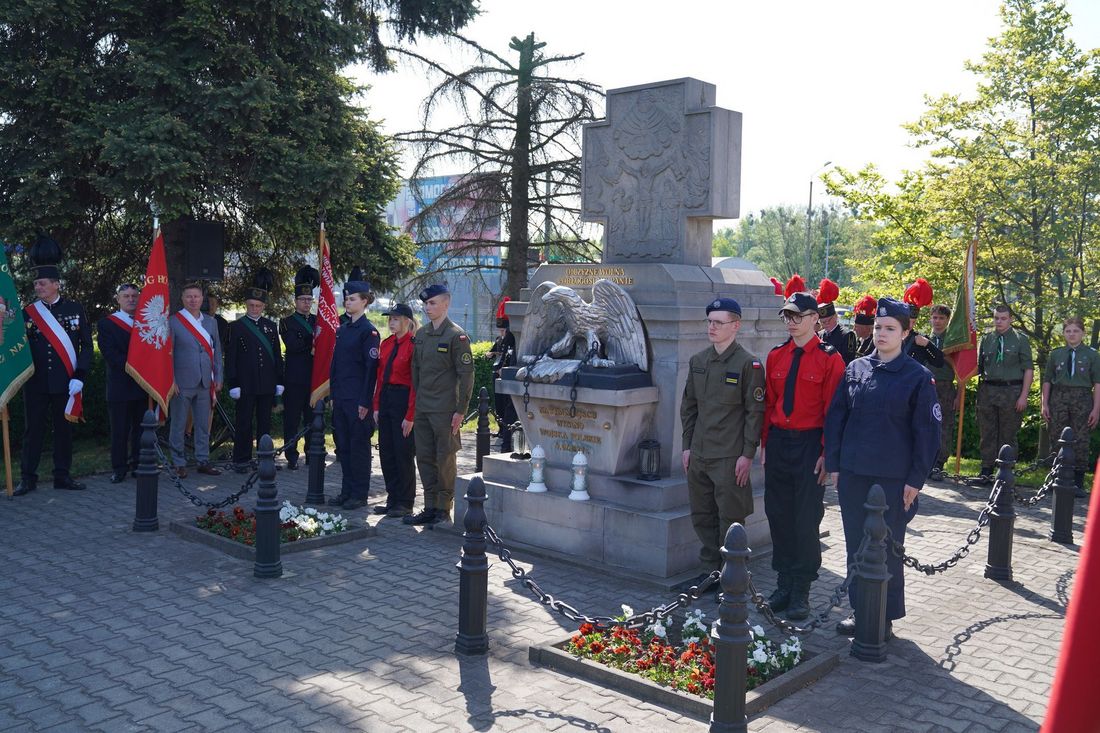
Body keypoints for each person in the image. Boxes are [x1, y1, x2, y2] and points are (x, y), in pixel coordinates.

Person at [825, 296, 941, 637]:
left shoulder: (918, 377)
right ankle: (861, 611)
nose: (882, 333)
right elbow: (836, 419)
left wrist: (915, 480)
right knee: (855, 545)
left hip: (892, 480)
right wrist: (835, 465)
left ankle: (883, 616)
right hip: (855, 475)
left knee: (887, 549)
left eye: (890, 328)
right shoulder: (855, 368)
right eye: (878, 327)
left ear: (905, 333)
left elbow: (927, 434)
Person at [761, 279, 846, 619]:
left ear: (815, 318)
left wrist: (828, 453)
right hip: (780, 443)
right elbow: (769, 405)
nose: (791, 322)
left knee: (805, 518)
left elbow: (833, 413)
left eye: (797, 316)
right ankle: (783, 584)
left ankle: (802, 590)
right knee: (778, 515)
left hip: (811, 444)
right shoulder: (776, 356)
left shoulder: (830, 360)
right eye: (786, 316)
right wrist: (766, 443)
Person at [680, 297, 764, 583]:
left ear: (735, 326)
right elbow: (689, 407)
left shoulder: (748, 365)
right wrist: (687, 447)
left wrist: (747, 454)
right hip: (700, 453)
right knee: (702, 515)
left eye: (719, 322)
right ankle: (709, 571)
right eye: (709, 321)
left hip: (730, 457)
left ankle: (732, 576)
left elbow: (755, 412)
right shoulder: (698, 361)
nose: (712, 327)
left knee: (731, 518)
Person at [14, 234, 93, 496]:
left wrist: (80, 375)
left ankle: (63, 476)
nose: (38, 287)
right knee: (32, 431)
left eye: (43, 283)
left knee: (63, 431)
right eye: (36, 283)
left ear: (56, 284)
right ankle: (28, 478)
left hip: (66, 382)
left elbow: (85, 346)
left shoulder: (74, 308)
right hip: (35, 382)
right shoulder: (28, 313)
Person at [404, 283, 474, 527]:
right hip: (424, 408)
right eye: (426, 303)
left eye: (432, 303)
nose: (427, 307)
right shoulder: (421, 335)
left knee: (444, 459)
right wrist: (417, 404)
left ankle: (444, 508)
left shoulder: (457, 336)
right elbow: (416, 372)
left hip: (445, 411)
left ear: (446, 304)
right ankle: (430, 505)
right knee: (424, 457)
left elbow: (467, 375)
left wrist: (460, 410)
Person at [328, 279, 380, 510]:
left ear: (364, 301)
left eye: (352, 299)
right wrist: (333, 394)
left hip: (357, 400)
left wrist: (365, 401)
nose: (347, 302)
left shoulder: (368, 332)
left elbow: (371, 370)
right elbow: (337, 365)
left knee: (358, 448)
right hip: (341, 397)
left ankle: (359, 494)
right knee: (344, 447)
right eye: (346, 299)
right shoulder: (344, 329)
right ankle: (346, 491)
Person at [226, 268, 284, 473]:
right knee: (243, 424)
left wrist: (279, 380)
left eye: (258, 305)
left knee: (264, 424)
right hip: (245, 384)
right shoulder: (236, 326)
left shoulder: (270, 326)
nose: (254, 309)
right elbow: (231, 358)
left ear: (263, 306)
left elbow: (277, 355)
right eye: (251, 305)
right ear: (246, 304)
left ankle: (264, 459)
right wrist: (233, 383)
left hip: (267, 384)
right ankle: (241, 460)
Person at [168, 283, 224, 477]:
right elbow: (169, 354)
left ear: (202, 299)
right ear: (182, 299)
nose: (193, 300)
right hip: (181, 382)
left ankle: (203, 460)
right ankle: (179, 463)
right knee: (179, 424)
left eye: (196, 297)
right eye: (189, 296)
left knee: (202, 425)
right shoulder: (174, 321)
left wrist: (219, 376)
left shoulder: (211, 322)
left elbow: (216, 353)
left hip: (205, 382)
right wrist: (171, 380)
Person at [1041, 317, 1100, 498]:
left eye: (1075, 331)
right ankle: (1056, 479)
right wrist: (1044, 404)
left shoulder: (1092, 355)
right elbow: (1047, 381)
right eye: (1068, 331)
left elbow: (1098, 383)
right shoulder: (1056, 354)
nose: (1072, 334)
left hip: (1082, 398)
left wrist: (1096, 409)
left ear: (1083, 333)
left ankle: (1078, 482)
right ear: (1064, 333)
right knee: (1056, 436)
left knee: (1080, 439)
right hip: (1058, 398)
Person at [96, 283, 147, 483]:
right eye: (126, 296)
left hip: (143, 385)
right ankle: (119, 468)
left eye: (134, 295)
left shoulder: (146, 323)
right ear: (118, 299)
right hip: (120, 385)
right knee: (119, 431)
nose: (131, 299)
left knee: (141, 430)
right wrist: (135, 367)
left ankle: (138, 464)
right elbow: (110, 354)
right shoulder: (107, 324)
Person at [977, 304, 1034, 481]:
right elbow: (978, 367)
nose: (999, 321)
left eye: (1003, 318)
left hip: (1012, 390)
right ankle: (986, 469)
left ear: (1011, 319)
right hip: (988, 389)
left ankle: (1005, 470)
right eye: (996, 318)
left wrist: (1024, 395)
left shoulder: (1020, 339)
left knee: (1008, 433)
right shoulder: (987, 339)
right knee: (987, 431)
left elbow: (1028, 370)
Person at [372, 303, 417, 517]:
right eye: (390, 319)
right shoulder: (387, 344)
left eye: (396, 319)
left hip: (403, 399)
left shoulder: (413, 345)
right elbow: (381, 378)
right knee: (387, 451)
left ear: (407, 321)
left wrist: (410, 416)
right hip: (387, 397)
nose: (391, 322)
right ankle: (392, 498)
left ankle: (406, 501)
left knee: (403, 452)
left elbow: (416, 384)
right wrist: (376, 406)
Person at [279, 266, 319, 470]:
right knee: (292, 419)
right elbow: (293, 346)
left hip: (313, 377)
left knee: (312, 419)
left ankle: (311, 453)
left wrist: (307, 341)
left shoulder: (317, 321)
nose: (306, 303)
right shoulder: (286, 322)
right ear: (296, 301)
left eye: (309, 300)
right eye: (303, 300)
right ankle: (291, 455)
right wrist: (311, 341)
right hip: (295, 378)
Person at [928, 304, 958, 478]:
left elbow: (960, 369)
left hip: (945, 386)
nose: (937, 321)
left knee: (945, 425)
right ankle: (927, 459)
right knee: (926, 423)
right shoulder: (924, 339)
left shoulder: (953, 341)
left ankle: (939, 462)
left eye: (941, 318)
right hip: (928, 385)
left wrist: (959, 394)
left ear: (947, 320)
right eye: (935, 317)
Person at [488, 297, 518, 452]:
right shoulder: (502, 339)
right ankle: (503, 432)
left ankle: (506, 437)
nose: (501, 332)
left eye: (503, 330)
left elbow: (510, 355)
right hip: (499, 375)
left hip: (507, 376)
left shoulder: (512, 339)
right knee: (500, 406)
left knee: (508, 409)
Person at [901, 278, 944, 369]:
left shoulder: (919, 339)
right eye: (908, 321)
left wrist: (928, 344)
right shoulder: (890, 335)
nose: (910, 325)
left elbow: (939, 362)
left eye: (913, 322)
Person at [816, 278, 856, 364]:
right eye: (823, 322)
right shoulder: (820, 335)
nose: (826, 324)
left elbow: (849, 360)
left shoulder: (848, 335)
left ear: (835, 317)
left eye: (828, 321)